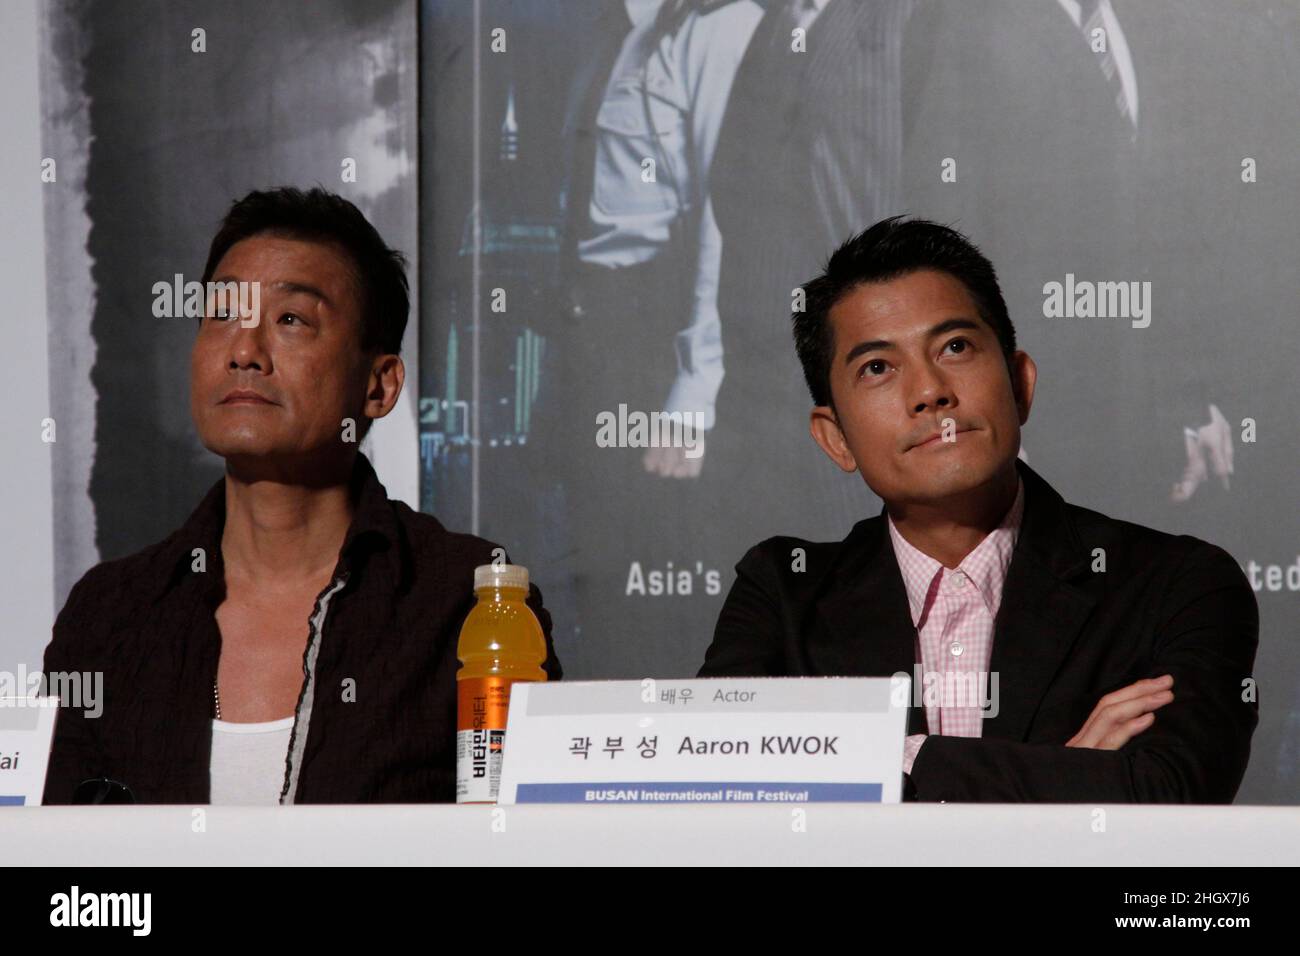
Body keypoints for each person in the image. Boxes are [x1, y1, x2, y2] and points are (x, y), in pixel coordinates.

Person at [698, 217, 1258, 802]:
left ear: (1019, 385)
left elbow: (1166, 793)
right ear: (835, 437)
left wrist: (881, 757)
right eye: (878, 368)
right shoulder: (782, 595)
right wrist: (1060, 774)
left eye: (955, 347)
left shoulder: (1177, 585)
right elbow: (718, 794)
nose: (929, 392)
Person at [42, 187, 562, 805]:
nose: (243, 352)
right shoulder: (110, 616)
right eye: (222, 315)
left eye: (290, 320)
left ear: (379, 385)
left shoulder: (465, 600)